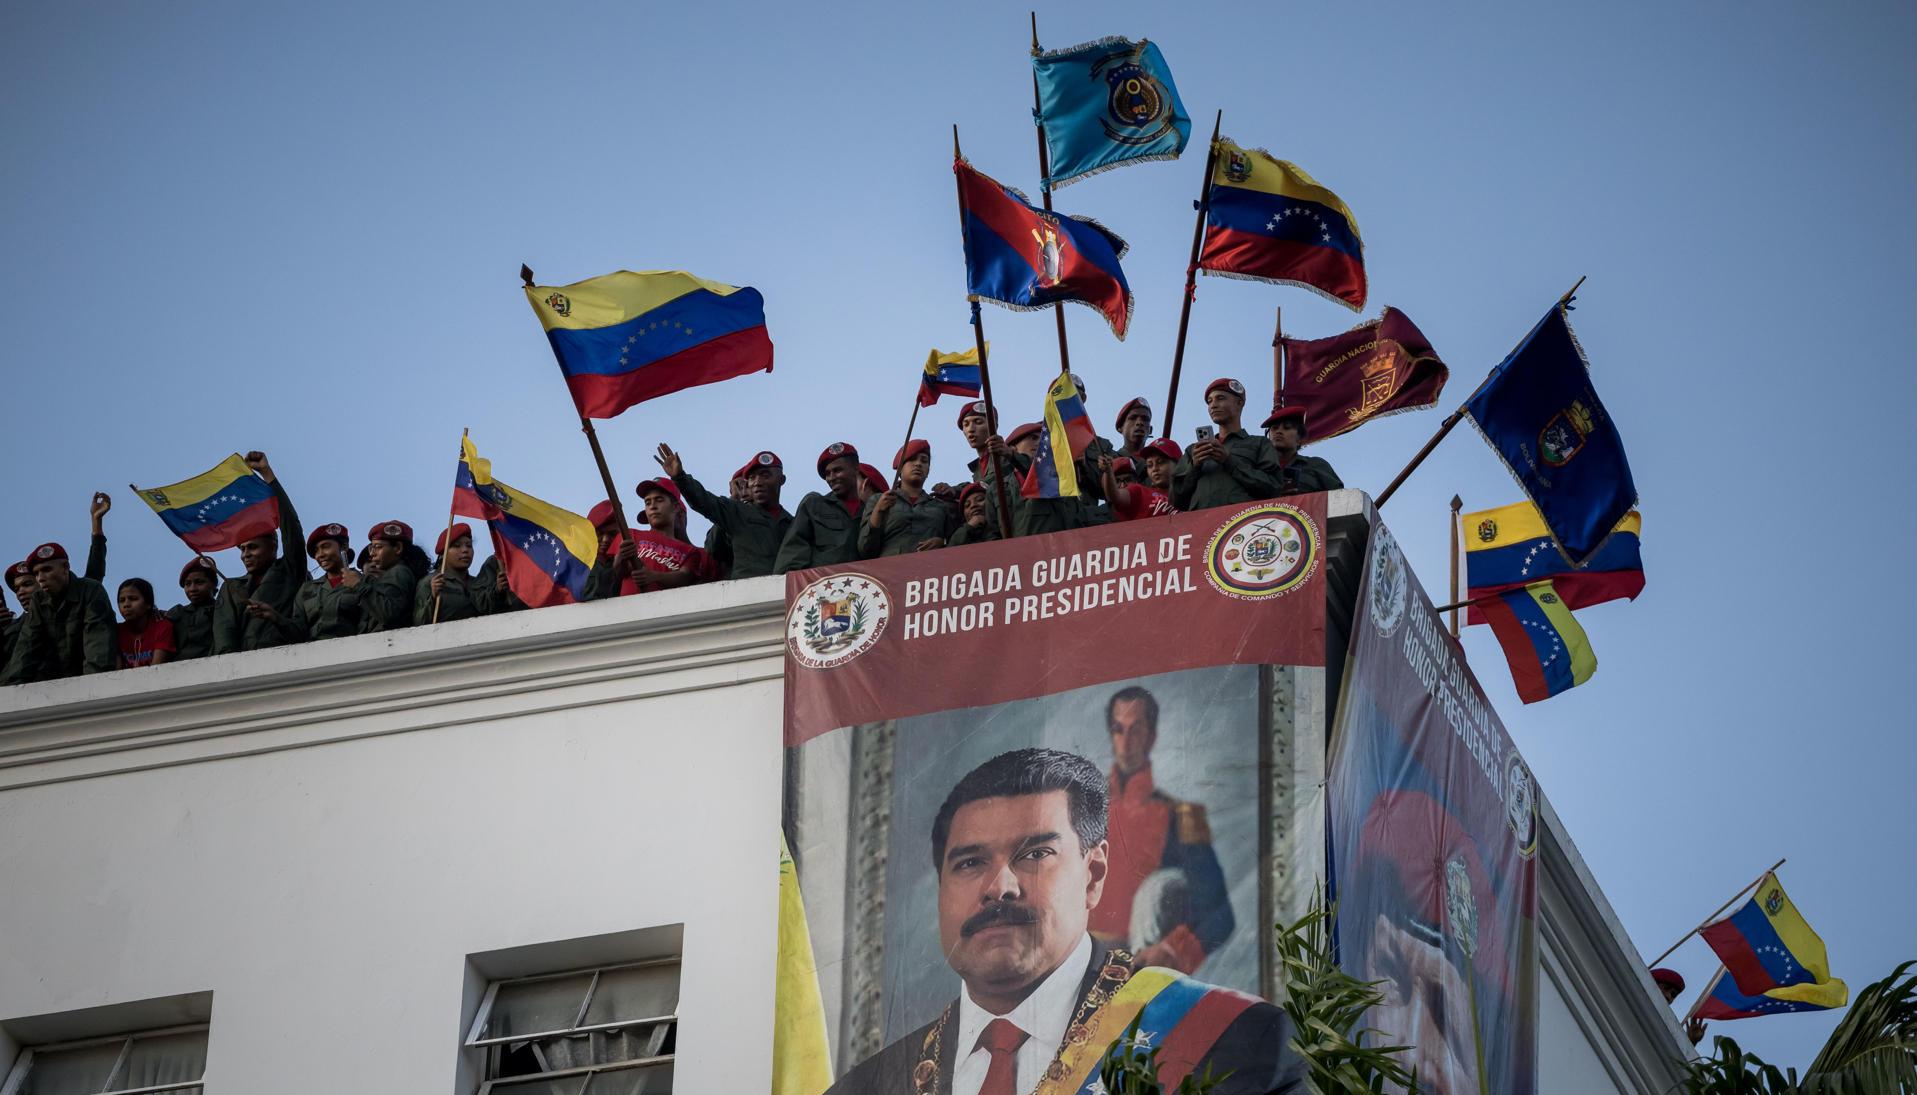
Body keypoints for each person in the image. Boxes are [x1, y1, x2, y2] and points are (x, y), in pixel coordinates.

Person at [823, 748, 1303, 1095]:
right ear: (941, 892)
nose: (1000, 887)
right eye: (969, 863)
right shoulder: (863, 1088)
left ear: (1093, 876)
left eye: (1035, 853)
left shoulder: (1237, 1045)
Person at [1088, 687, 1234, 973]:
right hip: (1077, 970)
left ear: (1152, 736)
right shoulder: (1080, 809)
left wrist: (1171, 950)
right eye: (1119, 730)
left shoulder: (1179, 817)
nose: (1126, 742)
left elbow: (1220, 914)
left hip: (1139, 973)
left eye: (1136, 730)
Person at [212, 451, 307, 655]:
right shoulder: (231, 588)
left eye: (253, 547)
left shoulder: (290, 571)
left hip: (285, 656)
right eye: (242, 549)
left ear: (273, 546)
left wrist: (268, 475)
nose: (245, 554)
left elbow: (291, 526)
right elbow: (224, 631)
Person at [661, 445, 791, 580]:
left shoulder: (793, 522)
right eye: (752, 478)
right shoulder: (738, 512)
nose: (757, 482)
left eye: (765, 476)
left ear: (781, 480)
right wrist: (680, 477)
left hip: (786, 593)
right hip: (748, 593)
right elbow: (704, 500)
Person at [2, 543, 118, 682]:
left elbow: (98, 645)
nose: (41, 578)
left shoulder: (90, 590)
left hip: (88, 685)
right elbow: (27, 647)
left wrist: (91, 687)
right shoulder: (38, 601)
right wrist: (11, 692)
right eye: (37, 573)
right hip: (52, 688)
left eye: (46, 570)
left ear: (65, 568)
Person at [1171, 379, 1285, 511]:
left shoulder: (1259, 443)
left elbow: (1273, 488)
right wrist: (1195, 467)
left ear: (1239, 403)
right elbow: (1175, 500)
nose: (1213, 405)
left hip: (1241, 525)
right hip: (1200, 526)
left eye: (1220, 398)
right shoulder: (1193, 450)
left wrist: (1229, 461)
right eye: (1210, 401)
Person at [600, 478, 721, 594]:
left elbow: (685, 577)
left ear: (675, 507)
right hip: (629, 610)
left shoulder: (690, 552)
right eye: (648, 502)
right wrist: (620, 558)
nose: (653, 506)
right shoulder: (629, 534)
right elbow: (618, 573)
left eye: (659, 500)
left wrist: (654, 577)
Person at [775, 442, 874, 573]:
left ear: (856, 469)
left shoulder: (872, 508)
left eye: (837, 470)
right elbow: (793, 550)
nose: (831, 478)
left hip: (866, 586)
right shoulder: (814, 504)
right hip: (823, 588)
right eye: (827, 474)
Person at [860, 440, 955, 558]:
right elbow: (865, 549)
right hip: (890, 572)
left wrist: (943, 542)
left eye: (924, 461)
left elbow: (956, 545)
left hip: (930, 571)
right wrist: (878, 511)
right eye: (912, 459)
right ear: (899, 469)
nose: (918, 464)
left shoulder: (940, 507)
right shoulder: (878, 500)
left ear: (928, 471)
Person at [278, 523, 360, 641]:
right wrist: (275, 618)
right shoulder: (307, 589)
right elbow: (298, 630)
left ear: (344, 547)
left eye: (325, 547)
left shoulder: (364, 581)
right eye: (316, 551)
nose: (320, 555)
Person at [358, 520, 425, 633]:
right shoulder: (397, 572)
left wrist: (358, 584)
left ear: (398, 548)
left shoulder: (399, 572)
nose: (372, 553)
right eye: (371, 548)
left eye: (378, 547)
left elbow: (388, 612)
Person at [1261, 406, 1342, 496]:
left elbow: (1339, 499)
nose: (1279, 431)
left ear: (1300, 438)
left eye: (1287, 428)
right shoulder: (1258, 468)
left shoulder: (1316, 465)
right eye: (1274, 428)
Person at [416, 523, 484, 624]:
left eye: (469, 545)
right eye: (457, 546)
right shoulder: (431, 582)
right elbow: (419, 622)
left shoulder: (479, 583)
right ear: (443, 554)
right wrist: (433, 598)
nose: (465, 550)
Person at [115, 578, 177, 669]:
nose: (126, 604)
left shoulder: (162, 627)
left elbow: (156, 669)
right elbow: (117, 673)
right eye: (122, 600)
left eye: (133, 599)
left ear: (148, 604)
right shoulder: (117, 631)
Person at [166, 556, 221, 660]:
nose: (192, 589)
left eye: (199, 582)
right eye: (187, 584)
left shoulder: (222, 610)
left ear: (213, 584)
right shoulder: (177, 613)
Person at [1099, 452, 1175, 523]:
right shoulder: (1096, 515)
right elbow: (1115, 497)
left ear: (1136, 482)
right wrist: (1108, 471)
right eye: (1116, 481)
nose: (1122, 485)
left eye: (1128, 480)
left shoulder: (1141, 492)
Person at [1650, 968, 1708, 1046]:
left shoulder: (1665, 1027)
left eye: (1673, 995)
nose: (1668, 996)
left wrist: (1691, 1041)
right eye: (1666, 988)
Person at [947, 483, 998, 547]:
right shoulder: (963, 535)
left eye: (980, 499)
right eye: (967, 505)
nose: (973, 505)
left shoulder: (1005, 523)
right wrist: (968, 528)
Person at [1113, 397, 1154, 464]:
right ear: (1120, 427)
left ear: (1150, 430)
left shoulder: (1156, 466)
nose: (1139, 423)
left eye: (1145, 419)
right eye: (1133, 418)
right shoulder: (1111, 461)